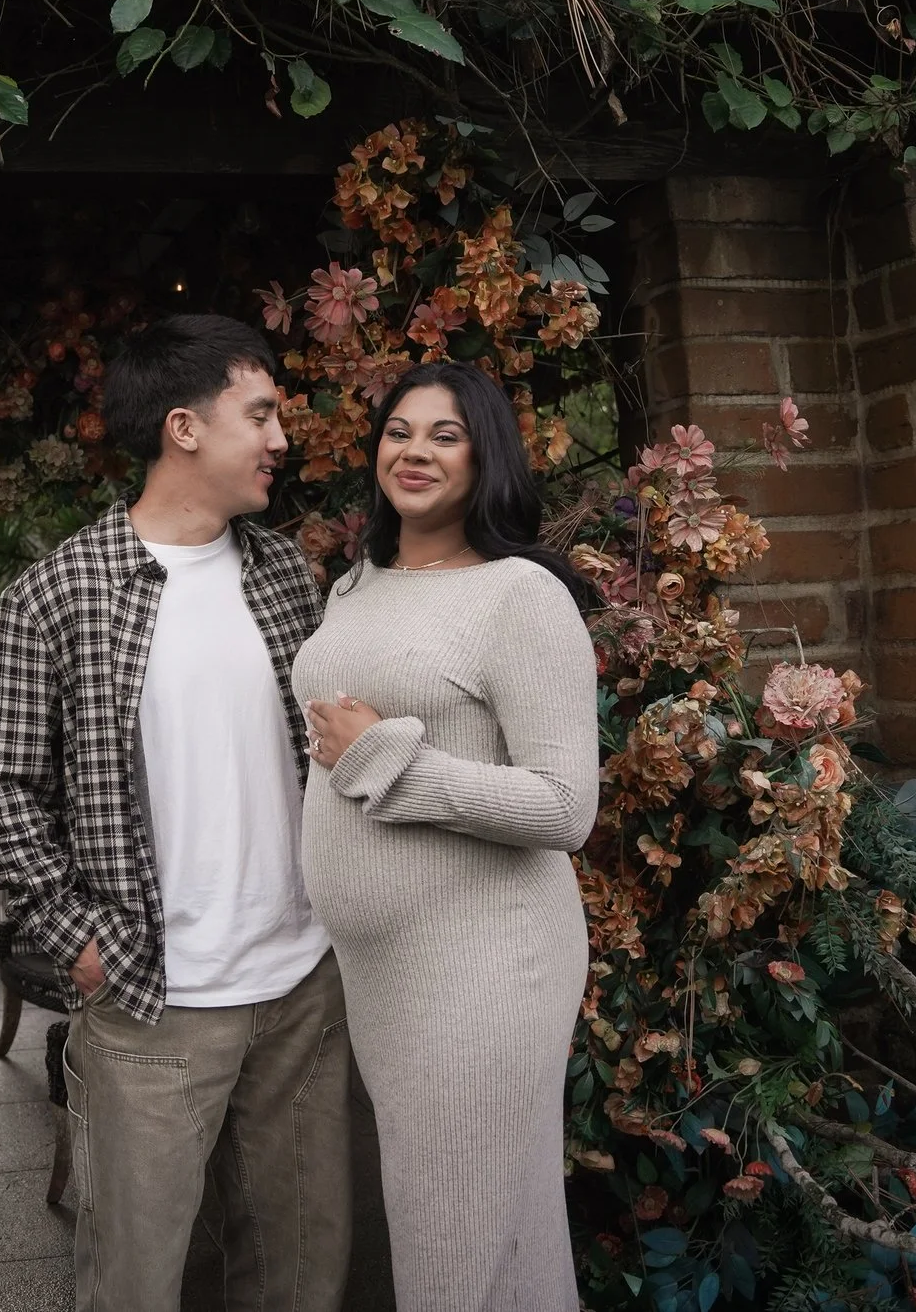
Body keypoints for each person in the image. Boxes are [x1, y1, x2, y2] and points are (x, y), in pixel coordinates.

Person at [0, 313, 351, 1312]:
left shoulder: (283, 576)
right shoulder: (57, 593)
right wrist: (76, 935)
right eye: (258, 413)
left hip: (302, 991)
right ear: (184, 427)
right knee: (136, 1283)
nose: (279, 437)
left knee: (301, 1276)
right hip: (149, 997)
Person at [295, 360, 601, 1312]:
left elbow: (564, 805)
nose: (414, 451)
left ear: (486, 455)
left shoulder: (520, 596)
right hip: (387, 972)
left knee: (454, 1241)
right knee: (488, 1235)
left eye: (444, 433)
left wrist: (387, 760)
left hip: (483, 966)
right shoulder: (355, 586)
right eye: (398, 430)